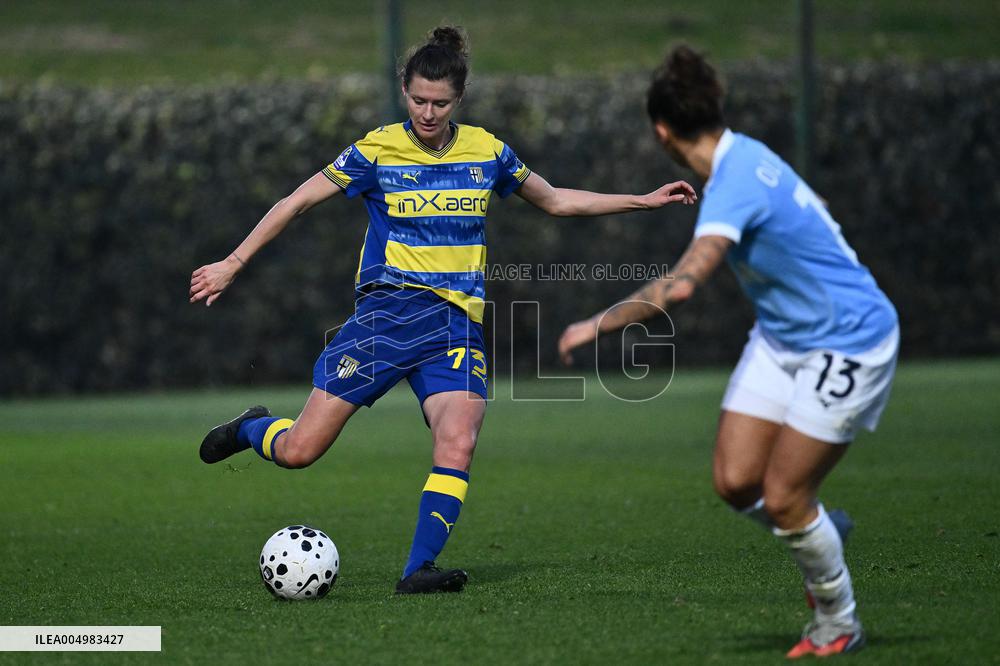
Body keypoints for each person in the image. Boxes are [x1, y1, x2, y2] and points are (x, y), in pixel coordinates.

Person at [189, 26, 696, 595]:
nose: (428, 112)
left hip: (455, 324)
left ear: (460, 99)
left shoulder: (488, 151)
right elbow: (296, 202)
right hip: (386, 317)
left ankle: (416, 570)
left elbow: (556, 200)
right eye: (418, 99)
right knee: (300, 451)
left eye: (441, 102)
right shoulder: (376, 150)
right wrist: (233, 262)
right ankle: (253, 429)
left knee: (459, 440)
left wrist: (644, 200)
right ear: (403, 89)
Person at [557, 45, 898, 657]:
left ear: (661, 132)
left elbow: (685, 283)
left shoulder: (734, 184)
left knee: (789, 495)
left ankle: (837, 621)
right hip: (783, 335)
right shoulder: (744, 157)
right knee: (737, 482)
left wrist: (597, 324)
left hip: (851, 338)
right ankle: (824, 531)